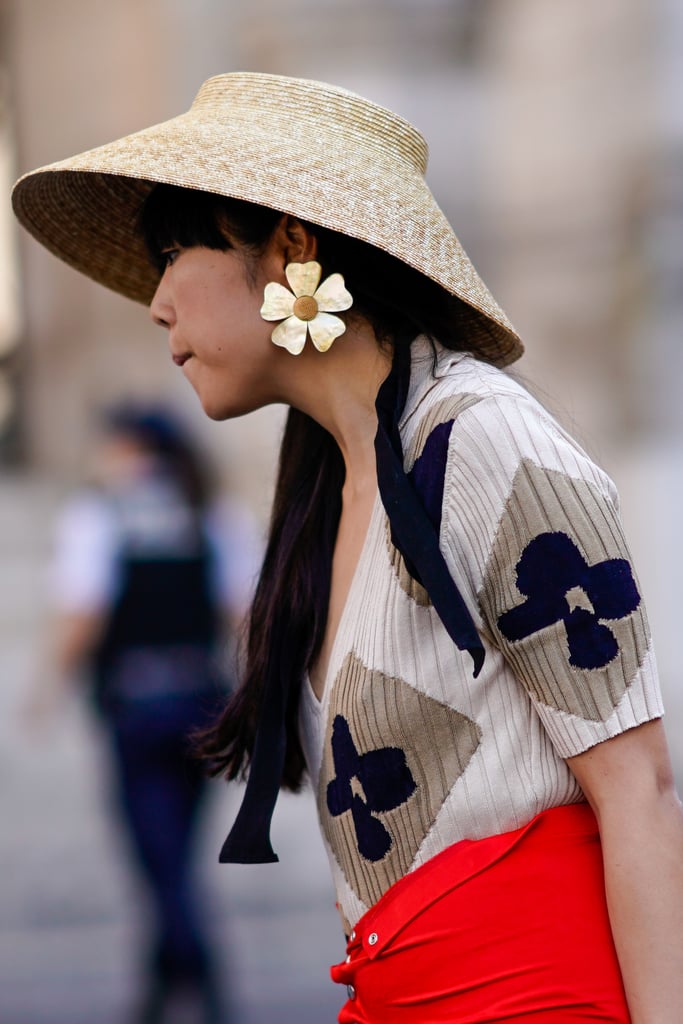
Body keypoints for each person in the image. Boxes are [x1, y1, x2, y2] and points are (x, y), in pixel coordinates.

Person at [12, 72, 683, 1022]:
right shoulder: (329, 486)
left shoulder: (485, 439)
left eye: (172, 250)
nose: (155, 302)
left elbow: (641, 793)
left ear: (291, 246)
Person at [41, 404, 258, 1024]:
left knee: (157, 854)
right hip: (199, 703)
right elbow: (238, 611)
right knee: (175, 852)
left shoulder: (100, 515)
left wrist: (47, 688)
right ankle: (165, 985)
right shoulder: (207, 511)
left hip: (135, 706)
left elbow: (85, 614)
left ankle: (199, 973)